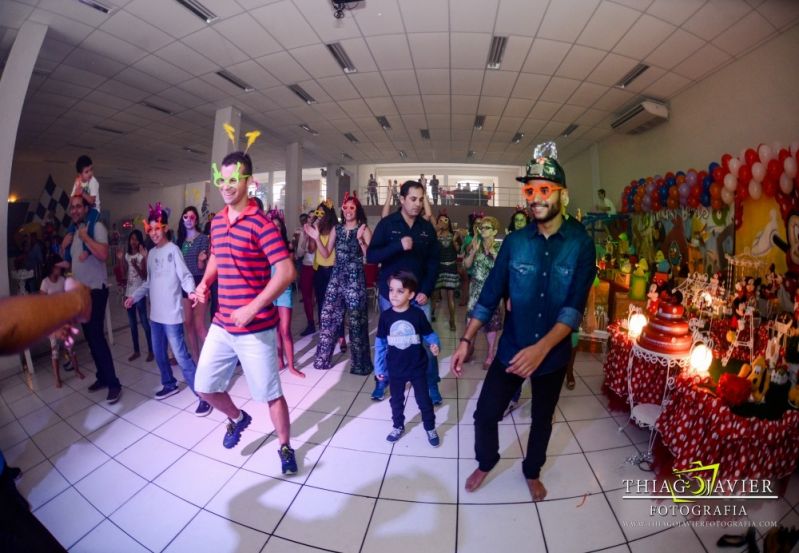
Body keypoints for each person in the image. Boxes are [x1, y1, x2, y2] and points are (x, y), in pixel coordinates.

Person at [451, 142, 596, 501]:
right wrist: (467, 339)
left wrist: (542, 349)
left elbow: (573, 309)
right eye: (530, 190)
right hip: (514, 348)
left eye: (544, 190)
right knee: (485, 413)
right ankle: (486, 461)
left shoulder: (581, 243)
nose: (535, 197)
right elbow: (489, 295)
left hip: (553, 354)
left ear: (562, 194)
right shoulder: (515, 242)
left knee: (542, 420)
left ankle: (532, 471)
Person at [193, 150, 298, 475]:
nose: (226, 185)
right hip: (223, 324)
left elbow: (286, 271)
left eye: (233, 179)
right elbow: (216, 257)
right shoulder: (218, 222)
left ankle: (285, 446)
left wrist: (253, 308)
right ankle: (238, 419)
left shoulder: (261, 224)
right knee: (204, 386)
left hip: (256, 329)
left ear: (249, 182)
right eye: (222, 179)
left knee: (271, 395)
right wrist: (206, 283)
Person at [125, 204, 211, 415]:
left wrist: (191, 292)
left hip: (172, 315)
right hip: (156, 316)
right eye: (150, 229)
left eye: (157, 228)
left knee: (181, 356)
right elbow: (149, 283)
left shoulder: (173, 250)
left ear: (164, 228)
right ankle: (169, 383)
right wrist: (133, 296)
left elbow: (186, 276)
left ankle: (203, 396)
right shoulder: (152, 254)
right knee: (159, 354)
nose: (154, 233)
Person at [367, 180, 441, 403]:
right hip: (391, 297)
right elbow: (371, 256)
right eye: (413, 199)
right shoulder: (388, 224)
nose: (417, 204)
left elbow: (433, 264)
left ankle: (431, 384)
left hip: (418, 297)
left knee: (426, 343)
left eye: (420, 199)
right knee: (389, 341)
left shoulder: (427, 229)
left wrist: (426, 291)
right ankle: (382, 380)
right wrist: (398, 245)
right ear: (401, 199)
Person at [62, 195, 123, 404]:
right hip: (80, 293)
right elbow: (70, 262)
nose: (75, 210)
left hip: (96, 290)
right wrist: (64, 246)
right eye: (73, 208)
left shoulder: (96, 227)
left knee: (96, 335)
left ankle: (114, 383)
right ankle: (102, 377)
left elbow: (104, 254)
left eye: (79, 206)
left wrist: (85, 238)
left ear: (87, 208)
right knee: (89, 336)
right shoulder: (74, 232)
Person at [306, 193, 373, 374]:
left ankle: (360, 365)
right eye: (346, 207)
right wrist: (316, 237)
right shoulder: (337, 228)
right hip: (336, 277)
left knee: (356, 323)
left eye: (352, 207)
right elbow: (326, 253)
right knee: (328, 317)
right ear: (342, 210)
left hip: (354, 279)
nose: (348, 210)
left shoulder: (363, 228)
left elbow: (371, 256)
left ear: (357, 210)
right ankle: (322, 359)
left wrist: (360, 240)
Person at [375, 271, 441, 445]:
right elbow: (380, 344)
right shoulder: (386, 316)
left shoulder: (417, 315)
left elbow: (429, 334)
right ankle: (398, 426)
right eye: (391, 290)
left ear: (411, 295)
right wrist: (379, 368)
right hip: (395, 368)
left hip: (417, 367)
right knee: (396, 401)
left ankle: (430, 427)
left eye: (400, 291)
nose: (394, 295)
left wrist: (435, 344)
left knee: (424, 400)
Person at [267, 210, 304, 378]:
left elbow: (292, 273)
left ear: (281, 228)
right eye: (272, 226)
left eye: (278, 226)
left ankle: (291, 365)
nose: (275, 228)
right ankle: (279, 360)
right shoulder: (262, 246)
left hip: (284, 291)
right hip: (268, 291)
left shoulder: (287, 246)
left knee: (285, 329)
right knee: (274, 330)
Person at [463, 216, 503, 370]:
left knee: (491, 326)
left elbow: (502, 268)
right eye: (482, 227)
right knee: (470, 322)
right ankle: (468, 349)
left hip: (491, 292)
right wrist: (473, 250)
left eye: (486, 228)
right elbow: (466, 265)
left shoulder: (500, 247)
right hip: (475, 291)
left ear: (494, 231)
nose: (482, 230)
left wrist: (492, 252)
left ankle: (490, 354)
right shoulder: (477, 244)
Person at [40, 255, 84, 387]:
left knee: (70, 347)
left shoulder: (62, 280)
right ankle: (57, 379)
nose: (59, 268)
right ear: (52, 267)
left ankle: (77, 370)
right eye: (57, 266)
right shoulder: (45, 283)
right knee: (55, 351)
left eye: (60, 266)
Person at [310, 200, 346, 352]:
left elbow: (326, 253)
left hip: (333, 271)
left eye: (321, 213)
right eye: (317, 213)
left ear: (328, 214)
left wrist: (317, 236)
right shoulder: (317, 228)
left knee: (337, 306)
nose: (318, 215)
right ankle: (325, 335)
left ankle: (341, 336)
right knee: (321, 304)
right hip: (319, 271)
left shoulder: (334, 229)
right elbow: (312, 250)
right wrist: (313, 233)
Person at [177, 206, 210, 363]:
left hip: (198, 283)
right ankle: (196, 360)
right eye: (186, 217)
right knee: (188, 324)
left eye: (192, 217)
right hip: (184, 286)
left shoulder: (203, 239)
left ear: (196, 220)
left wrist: (200, 260)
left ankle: (212, 360)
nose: (189, 220)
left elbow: (201, 268)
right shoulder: (179, 241)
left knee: (199, 325)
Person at [117, 229, 154, 363]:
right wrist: (121, 260)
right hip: (128, 293)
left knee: (144, 323)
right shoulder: (127, 255)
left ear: (140, 241)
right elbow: (123, 273)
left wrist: (137, 266)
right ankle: (136, 351)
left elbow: (144, 276)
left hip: (139, 294)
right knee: (132, 325)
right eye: (131, 239)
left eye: (136, 239)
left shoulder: (141, 256)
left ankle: (151, 350)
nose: (133, 241)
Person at [65, 155, 101, 263]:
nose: (90, 173)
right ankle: (67, 259)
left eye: (91, 169)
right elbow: (71, 199)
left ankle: (87, 251)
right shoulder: (78, 182)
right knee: (70, 230)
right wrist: (76, 192)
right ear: (80, 174)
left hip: (94, 210)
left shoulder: (94, 182)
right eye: (86, 171)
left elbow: (91, 201)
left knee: (89, 228)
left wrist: (82, 193)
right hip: (84, 211)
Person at [432, 212, 460, 331]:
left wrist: (454, 240)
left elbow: (458, 250)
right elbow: (432, 250)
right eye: (440, 220)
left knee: (450, 296)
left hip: (451, 267)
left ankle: (452, 320)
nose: (443, 222)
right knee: (434, 294)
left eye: (445, 220)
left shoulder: (454, 234)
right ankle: (432, 313)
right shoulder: (435, 235)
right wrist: (437, 234)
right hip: (439, 268)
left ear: (448, 222)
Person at [295, 210, 317, 336]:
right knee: (307, 298)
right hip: (307, 266)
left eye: (314, 217)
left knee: (322, 297)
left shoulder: (323, 230)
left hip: (320, 267)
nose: (311, 219)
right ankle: (310, 324)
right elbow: (298, 254)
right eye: (309, 217)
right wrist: (305, 238)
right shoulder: (304, 232)